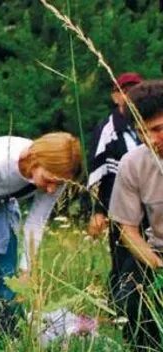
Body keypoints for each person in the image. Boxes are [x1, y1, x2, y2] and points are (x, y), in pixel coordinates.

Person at [0, 133, 82, 330]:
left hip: (0, 204)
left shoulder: (57, 178)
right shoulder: (0, 160)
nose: (51, 189)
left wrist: (26, 268)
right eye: (49, 180)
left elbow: (36, 222)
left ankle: (7, 337)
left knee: (8, 281)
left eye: (59, 184)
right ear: (36, 160)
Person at [108, 79, 163, 352]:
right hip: (157, 257)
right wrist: (157, 264)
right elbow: (127, 229)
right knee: (131, 297)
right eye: (142, 132)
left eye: (157, 130)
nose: (151, 140)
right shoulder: (133, 164)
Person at [86, 72, 143, 298]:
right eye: (124, 91)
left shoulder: (148, 123)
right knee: (124, 260)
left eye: (135, 91)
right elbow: (99, 171)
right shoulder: (107, 129)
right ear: (115, 96)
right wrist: (98, 210)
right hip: (119, 204)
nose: (129, 96)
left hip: (151, 203)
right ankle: (120, 311)